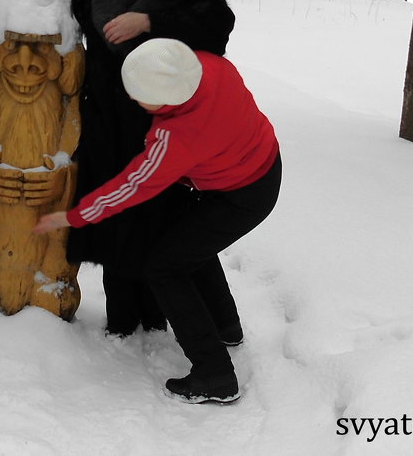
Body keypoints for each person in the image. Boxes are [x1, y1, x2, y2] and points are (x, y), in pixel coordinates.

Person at [34, 38, 282, 405]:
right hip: (261, 164)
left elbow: (133, 185)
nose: (135, 101)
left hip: (240, 197)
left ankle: (215, 375)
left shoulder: (176, 135)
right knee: (190, 241)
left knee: (165, 267)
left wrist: (74, 215)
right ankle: (226, 326)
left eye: (141, 96)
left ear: (169, 101)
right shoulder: (210, 65)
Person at [68, 0, 237, 338]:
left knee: (163, 224)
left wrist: (151, 22)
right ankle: (122, 321)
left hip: (162, 127)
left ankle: (170, 316)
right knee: (115, 223)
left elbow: (216, 31)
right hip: (106, 124)